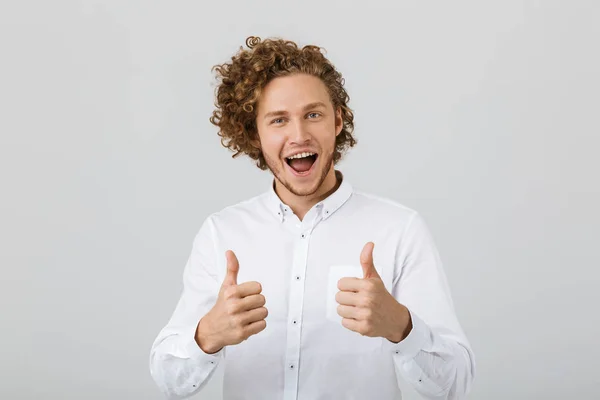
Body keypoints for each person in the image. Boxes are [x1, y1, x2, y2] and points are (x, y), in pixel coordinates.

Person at [149, 36, 475, 400]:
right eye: (278, 120)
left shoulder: (400, 229)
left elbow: (454, 383)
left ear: (337, 120)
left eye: (313, 115)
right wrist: (207, 335)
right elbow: (170, 382)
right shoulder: (221, 233)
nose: (299, 135)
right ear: (254, 133)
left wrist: (402, 328)